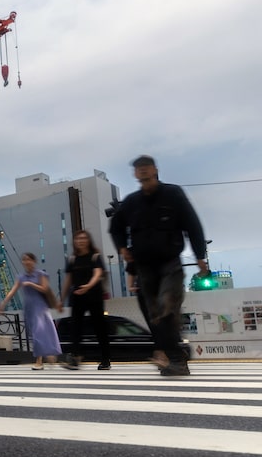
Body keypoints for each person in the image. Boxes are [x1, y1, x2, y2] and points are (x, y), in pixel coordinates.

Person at [109, 155, 207, 376]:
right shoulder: (132, 201)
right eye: (138, 168)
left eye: (146, 167)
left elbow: (192, 224)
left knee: (166, 307)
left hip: (169, 262)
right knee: (154, 315)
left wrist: (200, 255)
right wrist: (122, 248)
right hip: (144, 268)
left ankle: (177, 360)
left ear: (155, 170)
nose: (142, 171)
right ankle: (175, 358)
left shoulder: (173, 194)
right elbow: (115, 227)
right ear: (135, 174)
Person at [58, 230, 111, 370]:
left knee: (99, 327)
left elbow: (98, 273)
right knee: (75, 327)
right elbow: (68, 281)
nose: (81, 240)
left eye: (83, 238)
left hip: (94, 295)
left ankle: (105, 359)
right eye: (78, 238)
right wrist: (61, 300)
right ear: (74, 241)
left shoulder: (95, 257)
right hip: (77, 296)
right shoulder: (72, 259)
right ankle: (75, 357)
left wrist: (88, 286)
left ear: (88, 240)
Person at [0, 253, 61, 370]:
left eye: (29, 259)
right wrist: (3, 303)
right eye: (24, 260)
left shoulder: (40, 274)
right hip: (29, 307)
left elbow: (45, 288)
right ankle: (47, 354)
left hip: (40, 306)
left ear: (34, 261)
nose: (26, 262)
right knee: (35, 334)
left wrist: (31, 284)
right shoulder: (21, 277)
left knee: (39, 332)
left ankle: (39, 360)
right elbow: (13, 290)